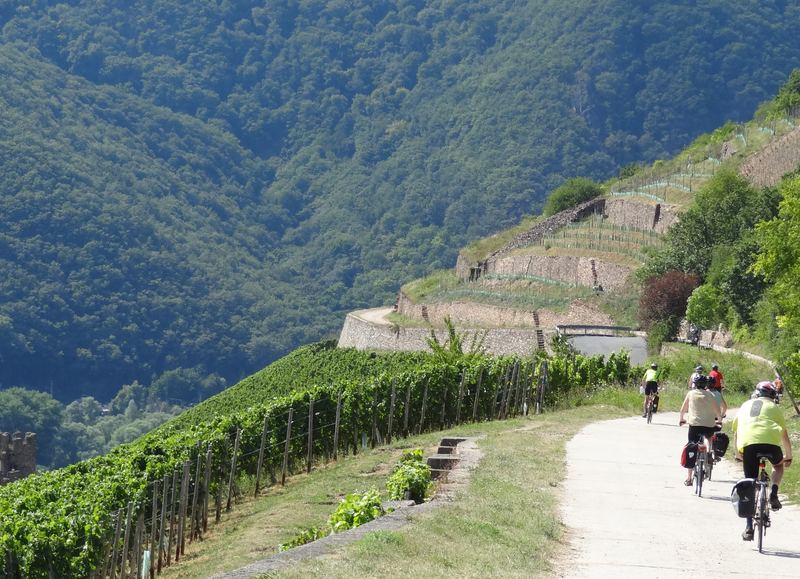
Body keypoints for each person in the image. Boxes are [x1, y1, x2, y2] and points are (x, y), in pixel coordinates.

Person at [732, 381, 793, 541]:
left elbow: (737, 432)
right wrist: (789, 455)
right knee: (778, 466)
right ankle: (773, 492)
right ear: (773, 396)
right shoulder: (775, 408)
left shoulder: (745, 405)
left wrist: (738, 454)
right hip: (771, 445)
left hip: (749, 446)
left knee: (750, 484)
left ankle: (749, 528)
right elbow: (784, 435)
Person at [679, 374, 721, 486]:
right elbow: (718, 411)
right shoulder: (710, 395)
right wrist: (720, 420)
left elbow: (683, 409)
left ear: (695, 384)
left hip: (694, 425)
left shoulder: (691, 393)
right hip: (708, 424)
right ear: (705, 385)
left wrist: (681, 419)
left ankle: (689, 478)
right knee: (707, 437)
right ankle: (707, 453)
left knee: (692, 445)